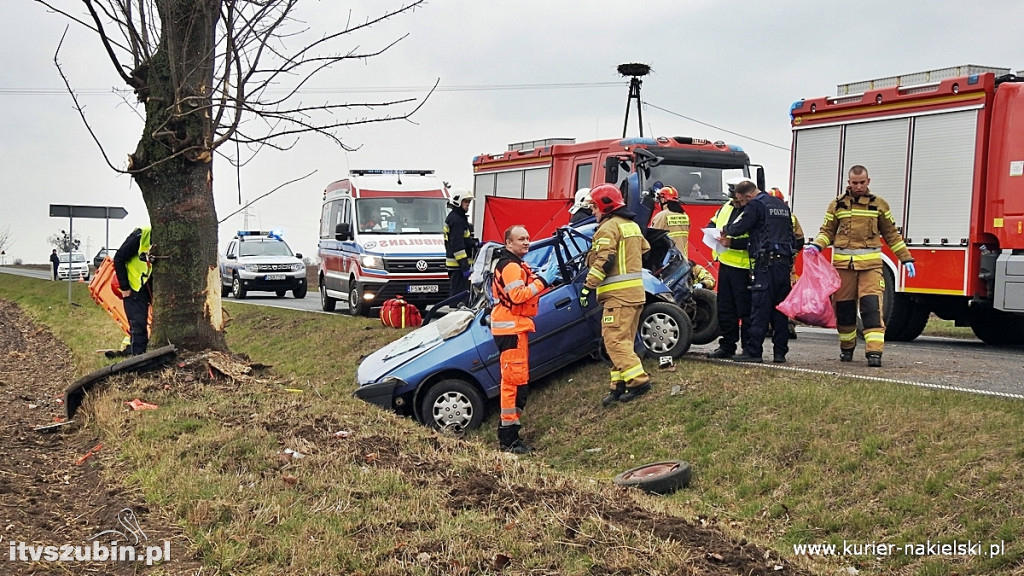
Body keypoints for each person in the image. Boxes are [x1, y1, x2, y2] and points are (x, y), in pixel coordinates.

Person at [806, 165, 916, 367]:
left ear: (868, 182)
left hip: (870, 267)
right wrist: (817, 245)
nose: (858, 186)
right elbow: (827, 231)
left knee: (872, 308)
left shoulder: (879, 205)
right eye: (854, 183)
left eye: (862, 182)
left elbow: (892, 235)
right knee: (845, 310)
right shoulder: (837, 205)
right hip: (844, 267)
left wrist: (906, 258)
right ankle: (847, 348)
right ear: (849, 183)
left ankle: (874, 353)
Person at [579, 184, 652, 406]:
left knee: (614, 342)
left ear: (605, 205)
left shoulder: (607, 228)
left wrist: (587, 286)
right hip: (634, 294)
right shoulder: (632, 226)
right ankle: (618, 385)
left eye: (594, 207)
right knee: (623, 341)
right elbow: (645, 249)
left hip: (617, 297)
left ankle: (638, 382)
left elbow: (605, 260)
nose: (592, 211)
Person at [491, 225, 558, 454]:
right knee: (514, 385)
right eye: (521, 239)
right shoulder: (510, 266)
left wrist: (540, 279)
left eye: (528, 238)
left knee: (517, 383)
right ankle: (509, 439)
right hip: (511, 328)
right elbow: (518, 296)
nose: (526, 242)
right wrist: (543, 281)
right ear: (508, 243)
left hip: (513, 327)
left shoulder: (514, 263)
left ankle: (509, 435)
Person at [722, 181, 799, 363]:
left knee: (759, 308)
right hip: (783, 265)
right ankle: (780, 353)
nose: (741, 205)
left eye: (741, 202)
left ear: (748, 196)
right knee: (780, 310)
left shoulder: (756, 204)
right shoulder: (781, 205)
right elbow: (792, 236)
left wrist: (726, 230)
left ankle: (753, 352)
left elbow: (740, 226)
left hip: (766, 265)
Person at [705, 176, 755, 360]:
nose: (735, 201)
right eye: (734, 197)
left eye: (738, 198)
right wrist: (712, 232)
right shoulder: (726, 207)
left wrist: (732, 242)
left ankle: (749, 348)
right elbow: (713, 222)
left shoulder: (752, 210)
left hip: (744, 267)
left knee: (745, 310)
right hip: (725, 264)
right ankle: (727, 345)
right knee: (725, 308)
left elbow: (755, 240)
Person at [768, 187, 804, 340]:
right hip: (787, 264)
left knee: (769, 295)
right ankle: (787, 325)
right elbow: (800, 240)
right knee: (786, 295)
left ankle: (771, 326)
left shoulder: (764, 214)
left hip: (770, 263)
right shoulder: (791, 216)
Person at [112, 226, 154, 356]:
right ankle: (138, 358)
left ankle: (140, 351)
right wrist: (125, 287)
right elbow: (118, 258)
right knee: (138, 324)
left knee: (146, 324)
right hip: (134, 288)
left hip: (148, 286)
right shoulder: (142, 235)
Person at [444, 192, 477, 305]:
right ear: (458, 202)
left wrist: (475, 244)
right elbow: (457, 246)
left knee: (459, 295)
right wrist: (464, 267)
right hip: (458, 266)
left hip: (457, 265)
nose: (468, 204)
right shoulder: (457, 220)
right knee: (458, 298)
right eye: (465, 201)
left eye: (469, 202)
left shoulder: (457, 218)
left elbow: (464, 240)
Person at [648, 185, 690, 257]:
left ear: (664, 200)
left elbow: (652, 237)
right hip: (683, 259)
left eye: (659, 199)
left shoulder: (662, 216)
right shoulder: (685, 216)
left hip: (667, 259)